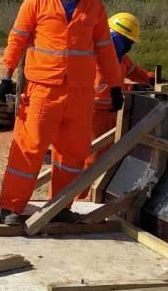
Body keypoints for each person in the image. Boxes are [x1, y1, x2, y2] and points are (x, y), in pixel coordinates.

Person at [0, 0, 123, 225]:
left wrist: (115, 86)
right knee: (30, 150)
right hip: (43, 91)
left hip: (80, 94)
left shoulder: (94, 7)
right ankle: (12, 207)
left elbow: (106, 50)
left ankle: (62, 206)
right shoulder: (36, 3)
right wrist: (6, 74)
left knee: (73, 154)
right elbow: (17, 39)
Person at [52, 12, 154, 199]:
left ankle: (87, 196)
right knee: (89, 160)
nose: (129, 46)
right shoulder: (91, 52)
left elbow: (133, 71)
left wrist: (149, 79)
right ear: (113, 35)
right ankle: (75, 200)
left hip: (111, 114)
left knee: (103, 159)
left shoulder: (121, 58)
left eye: (130, 42)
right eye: (126, 41)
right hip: (91, 113)